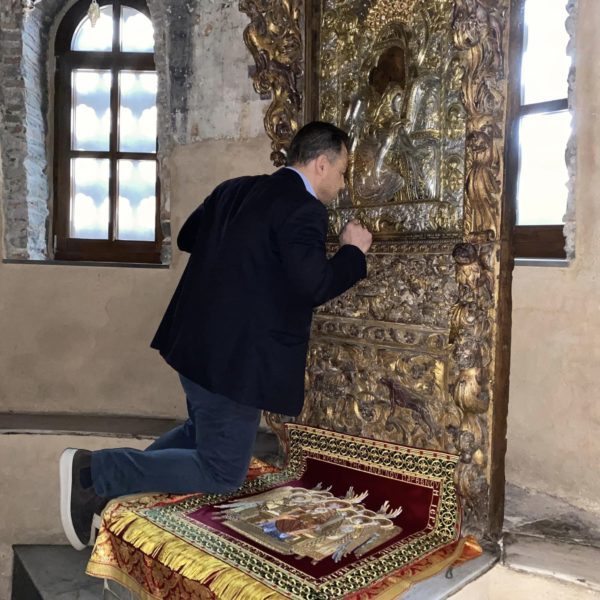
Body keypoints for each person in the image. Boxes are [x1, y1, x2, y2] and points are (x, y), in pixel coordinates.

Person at [59, 121, 373, 550]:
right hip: (235, 364)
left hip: (194, 346)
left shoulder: (235, 188)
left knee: (199, 431)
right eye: (342, 171)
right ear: (321, 163)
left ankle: (114, 494)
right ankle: (96, 473)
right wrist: (353, 251)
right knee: (223, 471)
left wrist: (243, 254)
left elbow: (189, 236)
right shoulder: (304, 208)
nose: (342, 183)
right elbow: (313, 285)